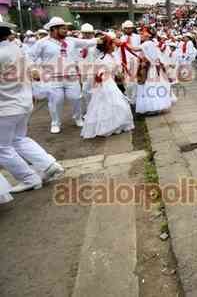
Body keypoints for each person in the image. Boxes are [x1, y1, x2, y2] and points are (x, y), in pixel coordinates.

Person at [0, 18, 65, 193]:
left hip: (6, 106)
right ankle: (49, 165)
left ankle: (29, 178)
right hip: (23, 102)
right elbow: (33, 71)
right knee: (19, 139)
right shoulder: (18, 48)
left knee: (2, 147)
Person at [30, 17, 98, 134]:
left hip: (71, 76)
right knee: (56, 101)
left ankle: (78, 118)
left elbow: (88, 42)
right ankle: (55, 123)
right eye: (63, 28)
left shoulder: (71, 40)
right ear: (53, 29)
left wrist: (102, 39)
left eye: (66, 28)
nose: (66, 31)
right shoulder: (42, 43)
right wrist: (33, 69)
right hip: (53, 78)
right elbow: (29, 56)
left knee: (75, 98)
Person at [81, 35, 134, 138]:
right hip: (105, 83)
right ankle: (108, 126)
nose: (114, 46)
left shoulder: (112, 56)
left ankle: (116, 124)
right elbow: (98, 73)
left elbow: (116, 68)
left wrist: (119, 74)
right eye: (112, 44)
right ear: (108, 46)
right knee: (113, 103)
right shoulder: (103, 58)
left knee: (115, 103)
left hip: (111, 81)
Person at [135, 30, 173, 115]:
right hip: (153, 67)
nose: (141, 35)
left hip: (150, 67)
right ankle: (156, 106)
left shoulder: (147, 43)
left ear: (148, 36)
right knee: (153, 86)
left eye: (143, 34)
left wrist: (123, 44)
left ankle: (152, 107)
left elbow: (135, 49)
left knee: (150, 86)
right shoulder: (151, 43)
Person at [116, 20, 141, 105]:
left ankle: (135, 100)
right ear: (124, 29)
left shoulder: (137, 37)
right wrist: (120, 62)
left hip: (135, 60)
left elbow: (139, 48)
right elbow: (119, 51)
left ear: (132, 28)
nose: (128, 30)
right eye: (126, 28)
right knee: (127, 81)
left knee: (135, 80)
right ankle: (129, 98)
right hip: (125, 62)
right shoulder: (122, 38)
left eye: (130, 28)